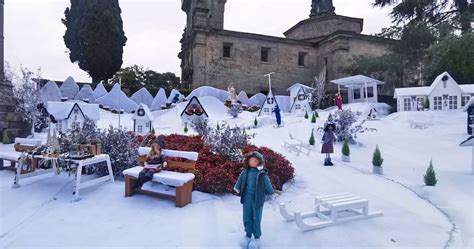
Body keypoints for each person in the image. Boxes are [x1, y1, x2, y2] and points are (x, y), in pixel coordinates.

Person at [234, 152, 274, 248]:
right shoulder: (245, 172)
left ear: (259, 163)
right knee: (247, 215)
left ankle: (257, 237)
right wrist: (237, 187)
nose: (253, 161)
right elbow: (239, 180)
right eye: (252, 159)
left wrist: (270, 191)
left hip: (257, 198)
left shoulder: (261, 174)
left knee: (257, 216)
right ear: (248, 160)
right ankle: (248, 235)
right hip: (247, 196)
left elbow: (267, 184)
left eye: (256, 160)